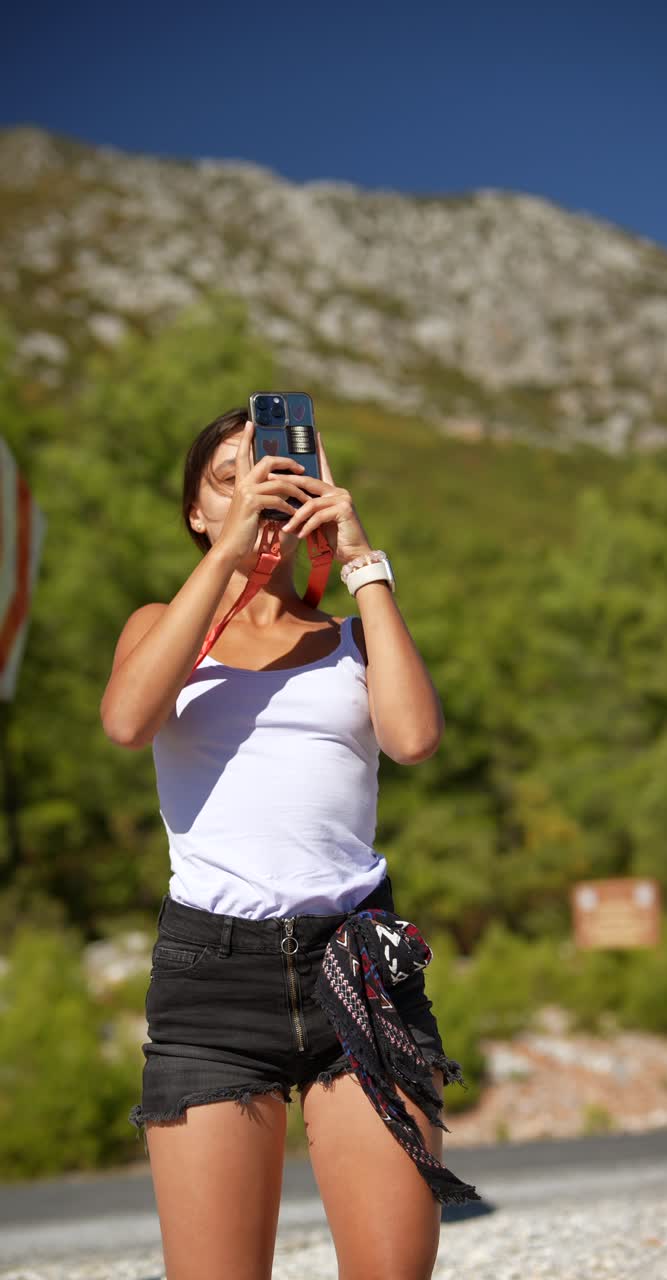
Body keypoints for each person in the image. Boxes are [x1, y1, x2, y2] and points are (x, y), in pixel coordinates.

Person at [100, 405, 474, 1280]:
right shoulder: (161, 624)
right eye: (229, 477)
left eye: (273, 471)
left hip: (357, 967)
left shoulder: (348, 639)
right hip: (212, 982)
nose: (255, 489)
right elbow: (125, 722)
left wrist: (358, 558)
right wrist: (232, 555)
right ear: (196, 512)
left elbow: (415, 738)